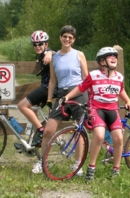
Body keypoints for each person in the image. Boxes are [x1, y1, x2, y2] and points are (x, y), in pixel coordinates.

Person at [60, 47, 130, 181]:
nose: (114, 58)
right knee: (99, 135)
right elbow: (81, 87)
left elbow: (121, 90)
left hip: (113, 110)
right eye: (110, 56)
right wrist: (67, 97)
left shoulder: (119, 77)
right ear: (102, 61)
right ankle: (91, 168)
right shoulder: (94, 75)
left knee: (118, 138)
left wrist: (129, 101)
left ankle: (116, 169)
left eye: (115, 56)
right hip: (96, 108)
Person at [31, 25, 88, 174]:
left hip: (79, 93)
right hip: (62, 94)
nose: (67, 39)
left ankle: (78, 165)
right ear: (60, 38)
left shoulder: (79, 54)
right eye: (65, 36)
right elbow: (52, 81)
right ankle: (42, 162)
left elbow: (86, 79)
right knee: (49, 130)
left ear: (73, 40)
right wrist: (49, 100)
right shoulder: (54, 57)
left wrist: (89, 97)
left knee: (78, 130)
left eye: (70, 37)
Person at [14, 30, 56, 152]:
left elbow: (57, 54)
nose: (37, 47)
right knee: (34, 111)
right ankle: (32, 143)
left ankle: (41, 130)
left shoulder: (49, 54)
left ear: (46, 44)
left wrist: (49, 52)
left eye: (40, 44)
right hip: (47, 87)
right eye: (35, 44)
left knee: (22, 106)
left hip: (49, 88)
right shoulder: (40, 55)